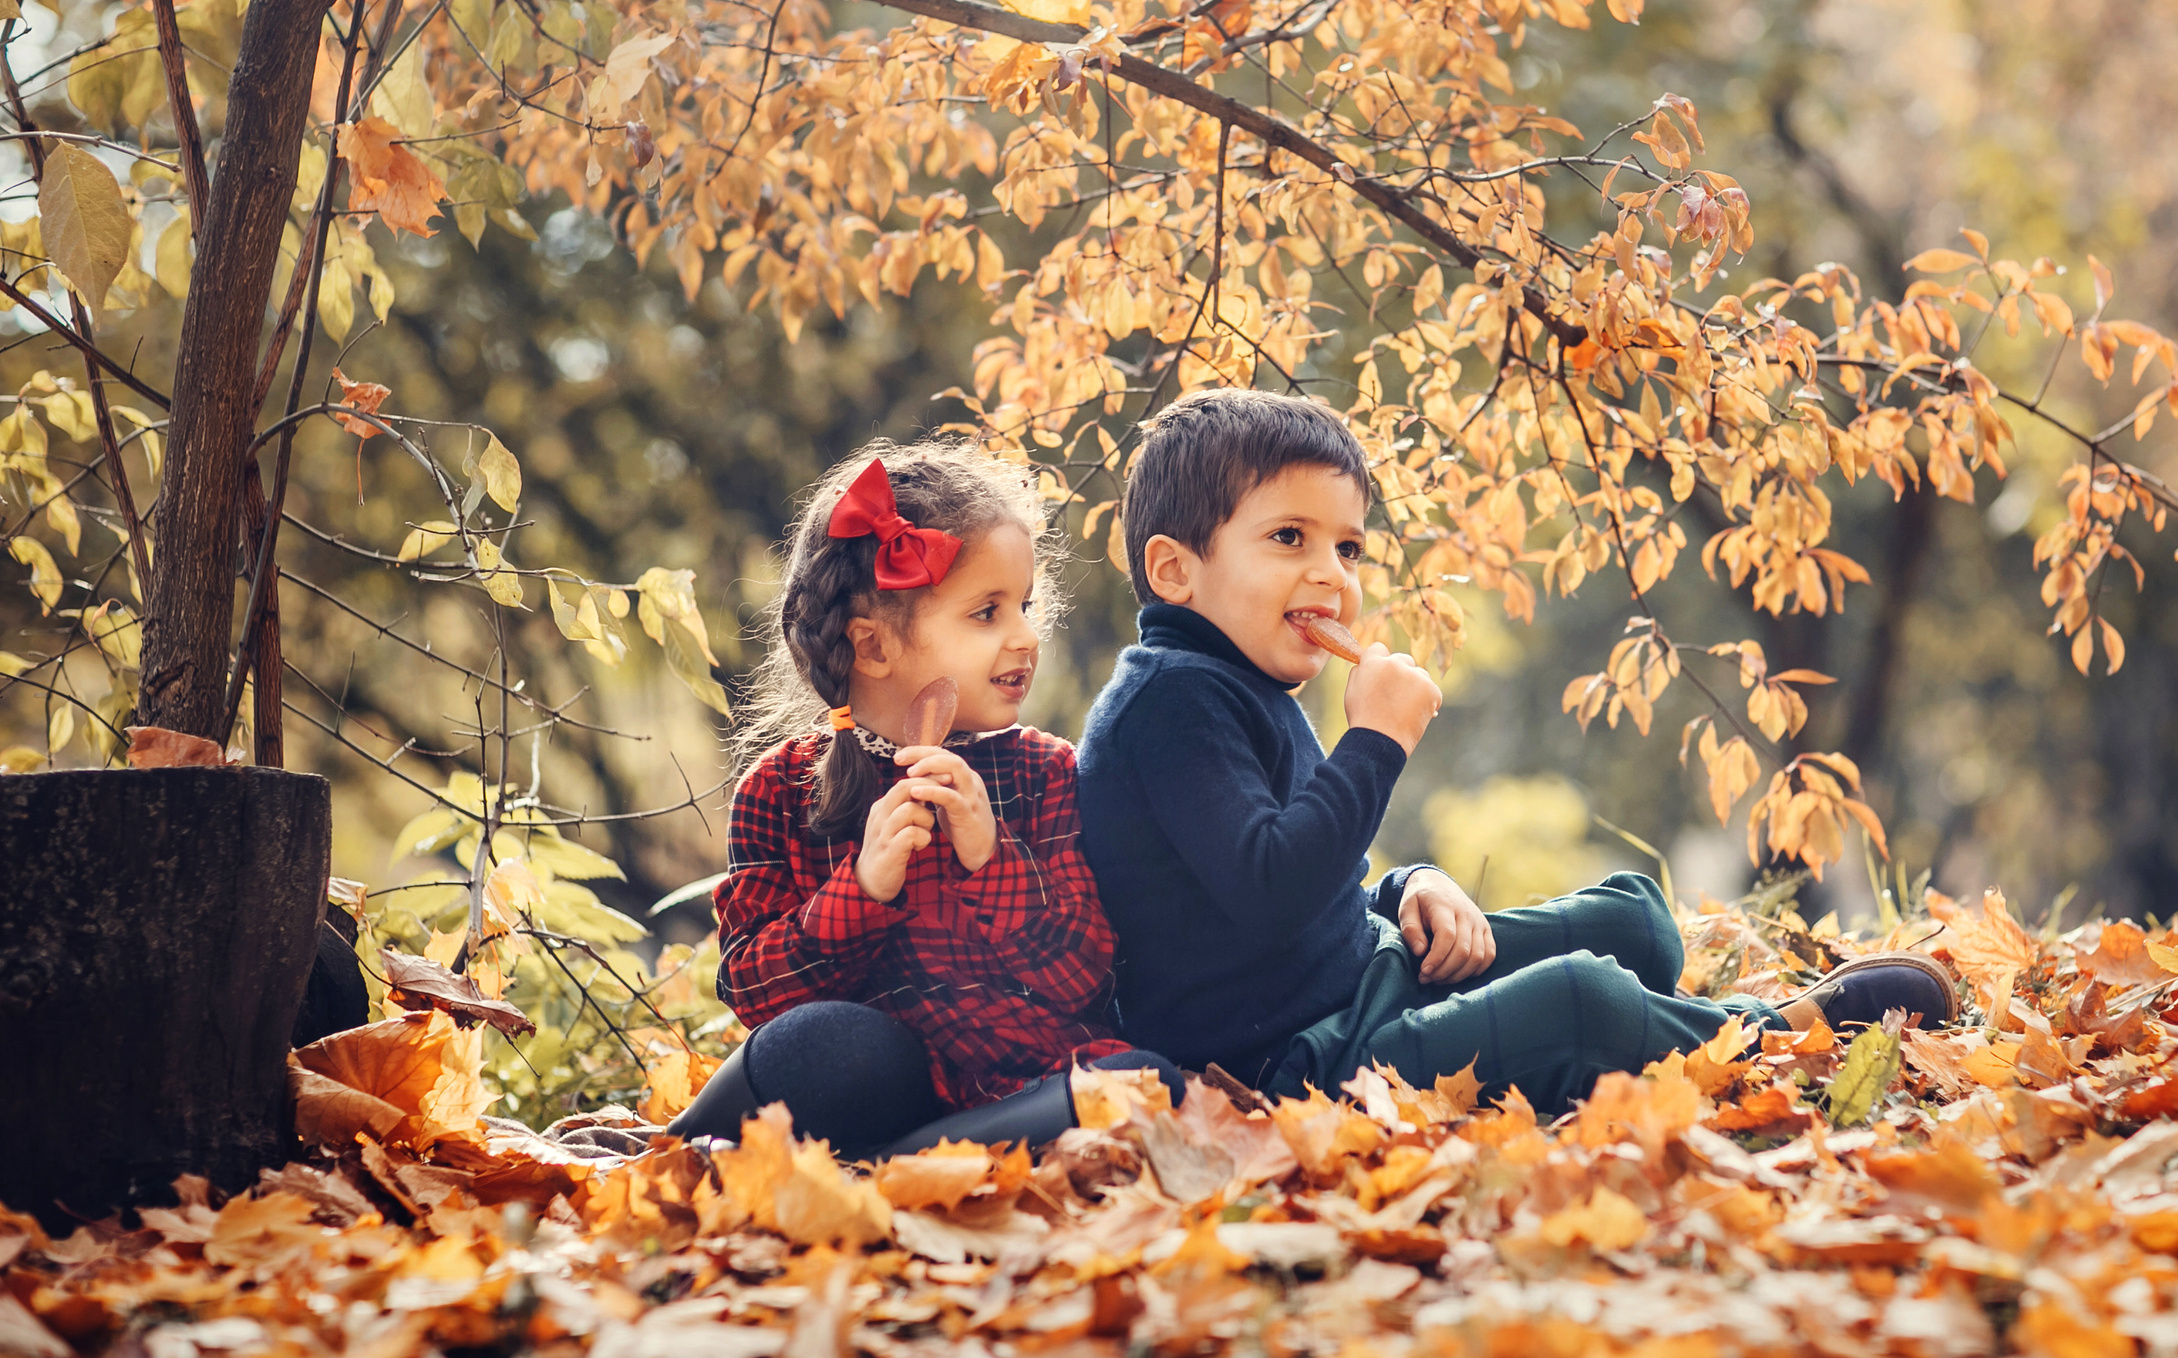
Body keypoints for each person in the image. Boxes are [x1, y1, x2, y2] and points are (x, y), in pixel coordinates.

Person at [1076, 389, 1955, 1113]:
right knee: (1582, 998)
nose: (1333, 574)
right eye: (1289, 538)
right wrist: (1376, 740)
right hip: (1297, 1063)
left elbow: (1306, 873)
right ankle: (1773, 1036)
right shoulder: (1169, 702)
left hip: (1365, 974)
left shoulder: (1235, 680)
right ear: (1174, 571)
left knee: (1633, 916)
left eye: (1348, 547)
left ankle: (1671, 1024)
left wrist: (1407, 884)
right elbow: (1269, 887)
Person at [672, 441, 1178, 1159]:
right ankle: (675, 1146)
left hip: (1021, 1089)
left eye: (1025, 605)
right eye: (987, 612)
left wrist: (991, 857)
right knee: (827, 1044)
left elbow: (1084, 975)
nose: (1026, 635)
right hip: (872, 1084)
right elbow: (755, 993)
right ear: (873, 647)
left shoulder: (1045, 773)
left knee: (1144, 1084)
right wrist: (861, 890)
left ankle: (895, 1169)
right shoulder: (779, 789)